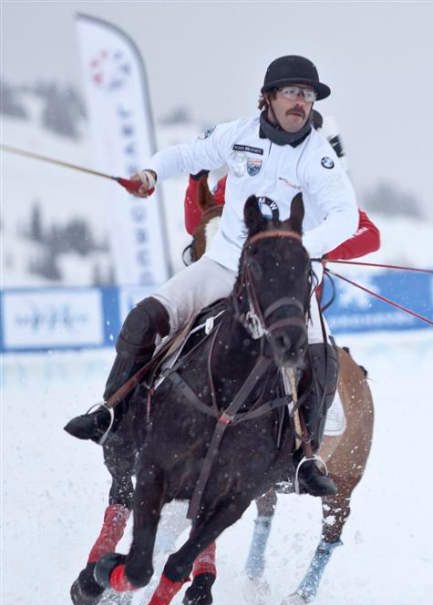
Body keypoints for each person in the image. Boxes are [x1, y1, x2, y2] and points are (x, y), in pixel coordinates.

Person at [65, 55, 379, 497]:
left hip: (286, 280)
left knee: (322, 356)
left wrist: (296, 250)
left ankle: (302, 456)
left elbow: (346, 218)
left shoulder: (319, 157)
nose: (300, 102)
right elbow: (185, 155)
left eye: (307, 96)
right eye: (292, 92)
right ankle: (112, 411)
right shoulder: (237, 135)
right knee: (145, 317)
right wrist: (152, 173)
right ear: (267, 97)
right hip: (223, 264)